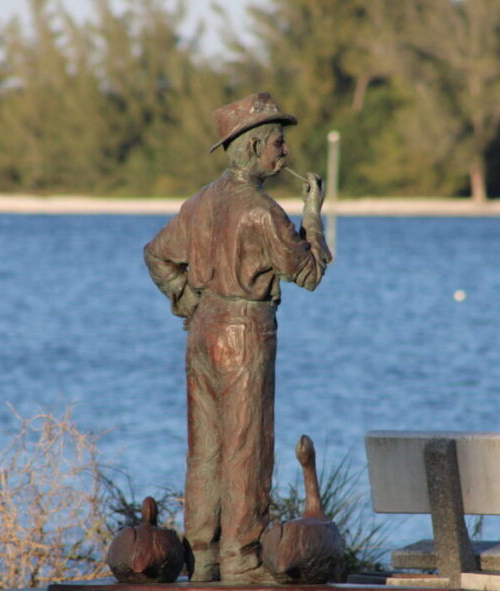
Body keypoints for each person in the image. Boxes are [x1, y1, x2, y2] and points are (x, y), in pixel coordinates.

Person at [144, 92, 332, 583]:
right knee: (247, 447)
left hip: (201, 334)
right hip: (245, 333)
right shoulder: (262, 211)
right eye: (277, 142)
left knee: (205, 448)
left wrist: (187, 299)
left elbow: (157, 256)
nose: (285, 152)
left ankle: (202, 558)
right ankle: (242, 560)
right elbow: (309, 273)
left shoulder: (200, 202)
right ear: (249, 148)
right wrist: (313, 213)